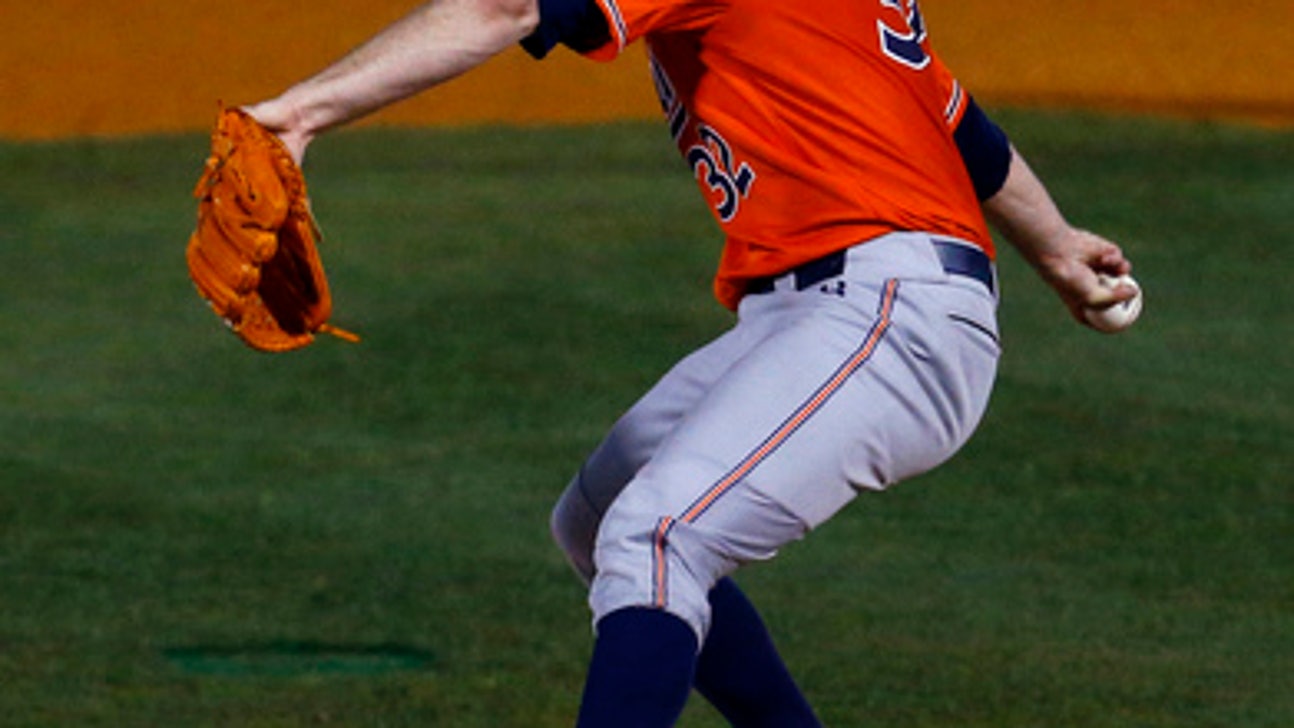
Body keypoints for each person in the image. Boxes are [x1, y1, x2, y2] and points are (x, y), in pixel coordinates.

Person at [245, 0, 1138, 724]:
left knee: (658, 537)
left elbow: (506, 6)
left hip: (888, 312)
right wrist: (1054, 244)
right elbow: (951, 115)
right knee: (598, 524)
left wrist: (297, 115)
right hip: (824, 309)